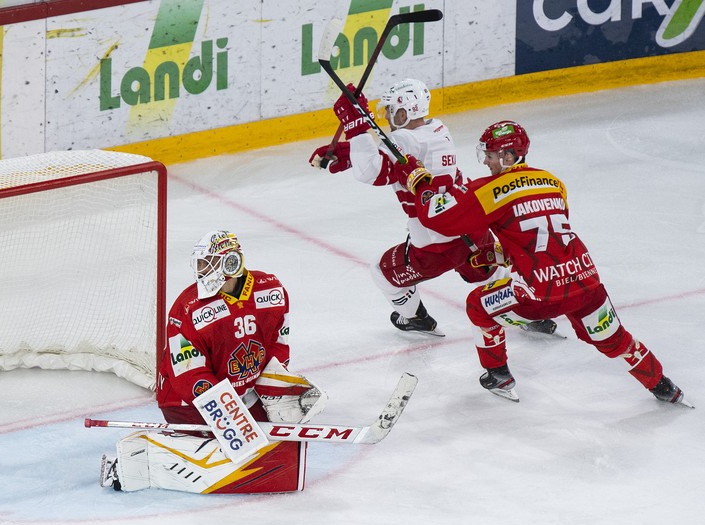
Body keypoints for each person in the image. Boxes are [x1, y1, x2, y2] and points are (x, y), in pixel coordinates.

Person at [393, 120, 689, 405]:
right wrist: (500, 255)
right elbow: (542, 237)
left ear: (509, 156)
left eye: (491, 155)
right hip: (586, 281)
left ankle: (498, 374)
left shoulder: (490, 189)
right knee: (614, 340)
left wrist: (419, 182)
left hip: (541, 294)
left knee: (478, 305)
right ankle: (664, 386)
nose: (486, 162)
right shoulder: (554, 182)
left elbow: (442, 220)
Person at [310, 79, 556, 338]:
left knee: (381, 273)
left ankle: (416, 318)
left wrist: (357, 127)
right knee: (491, 272)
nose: (388, 116)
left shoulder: (403, 137)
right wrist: (349, 153)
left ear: (404, 112)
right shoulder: (437, 128)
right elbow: (395, 156)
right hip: (471, 226)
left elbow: (372, 171)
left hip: (435, 244)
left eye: (392, 110)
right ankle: (531, 311)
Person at [99, 229, 327, 493]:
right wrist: (230, 415)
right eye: (200, 264)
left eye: (208, 263)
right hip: (186, 402)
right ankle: (143, 457)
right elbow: (189, 375)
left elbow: (278, 342)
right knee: (239, 451)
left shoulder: (271, 289)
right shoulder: (188, 308)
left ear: (231, 263)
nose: (201, 271)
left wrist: (274, 387)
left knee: (284, 442)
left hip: (245, 394)